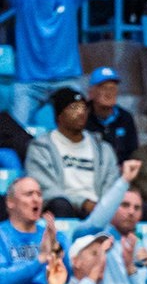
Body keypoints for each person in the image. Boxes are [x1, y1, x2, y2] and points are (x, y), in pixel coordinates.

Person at [27, 88, 110, 219]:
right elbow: (45, 188)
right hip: (64, 206)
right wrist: (82, 203)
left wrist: (104, 205)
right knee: (60, 205)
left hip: (99, 208)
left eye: (83, 108)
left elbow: (111, 182)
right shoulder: (41, 147)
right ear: (59, 115)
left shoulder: (103, 148)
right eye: (74, 108)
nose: (81, 112)